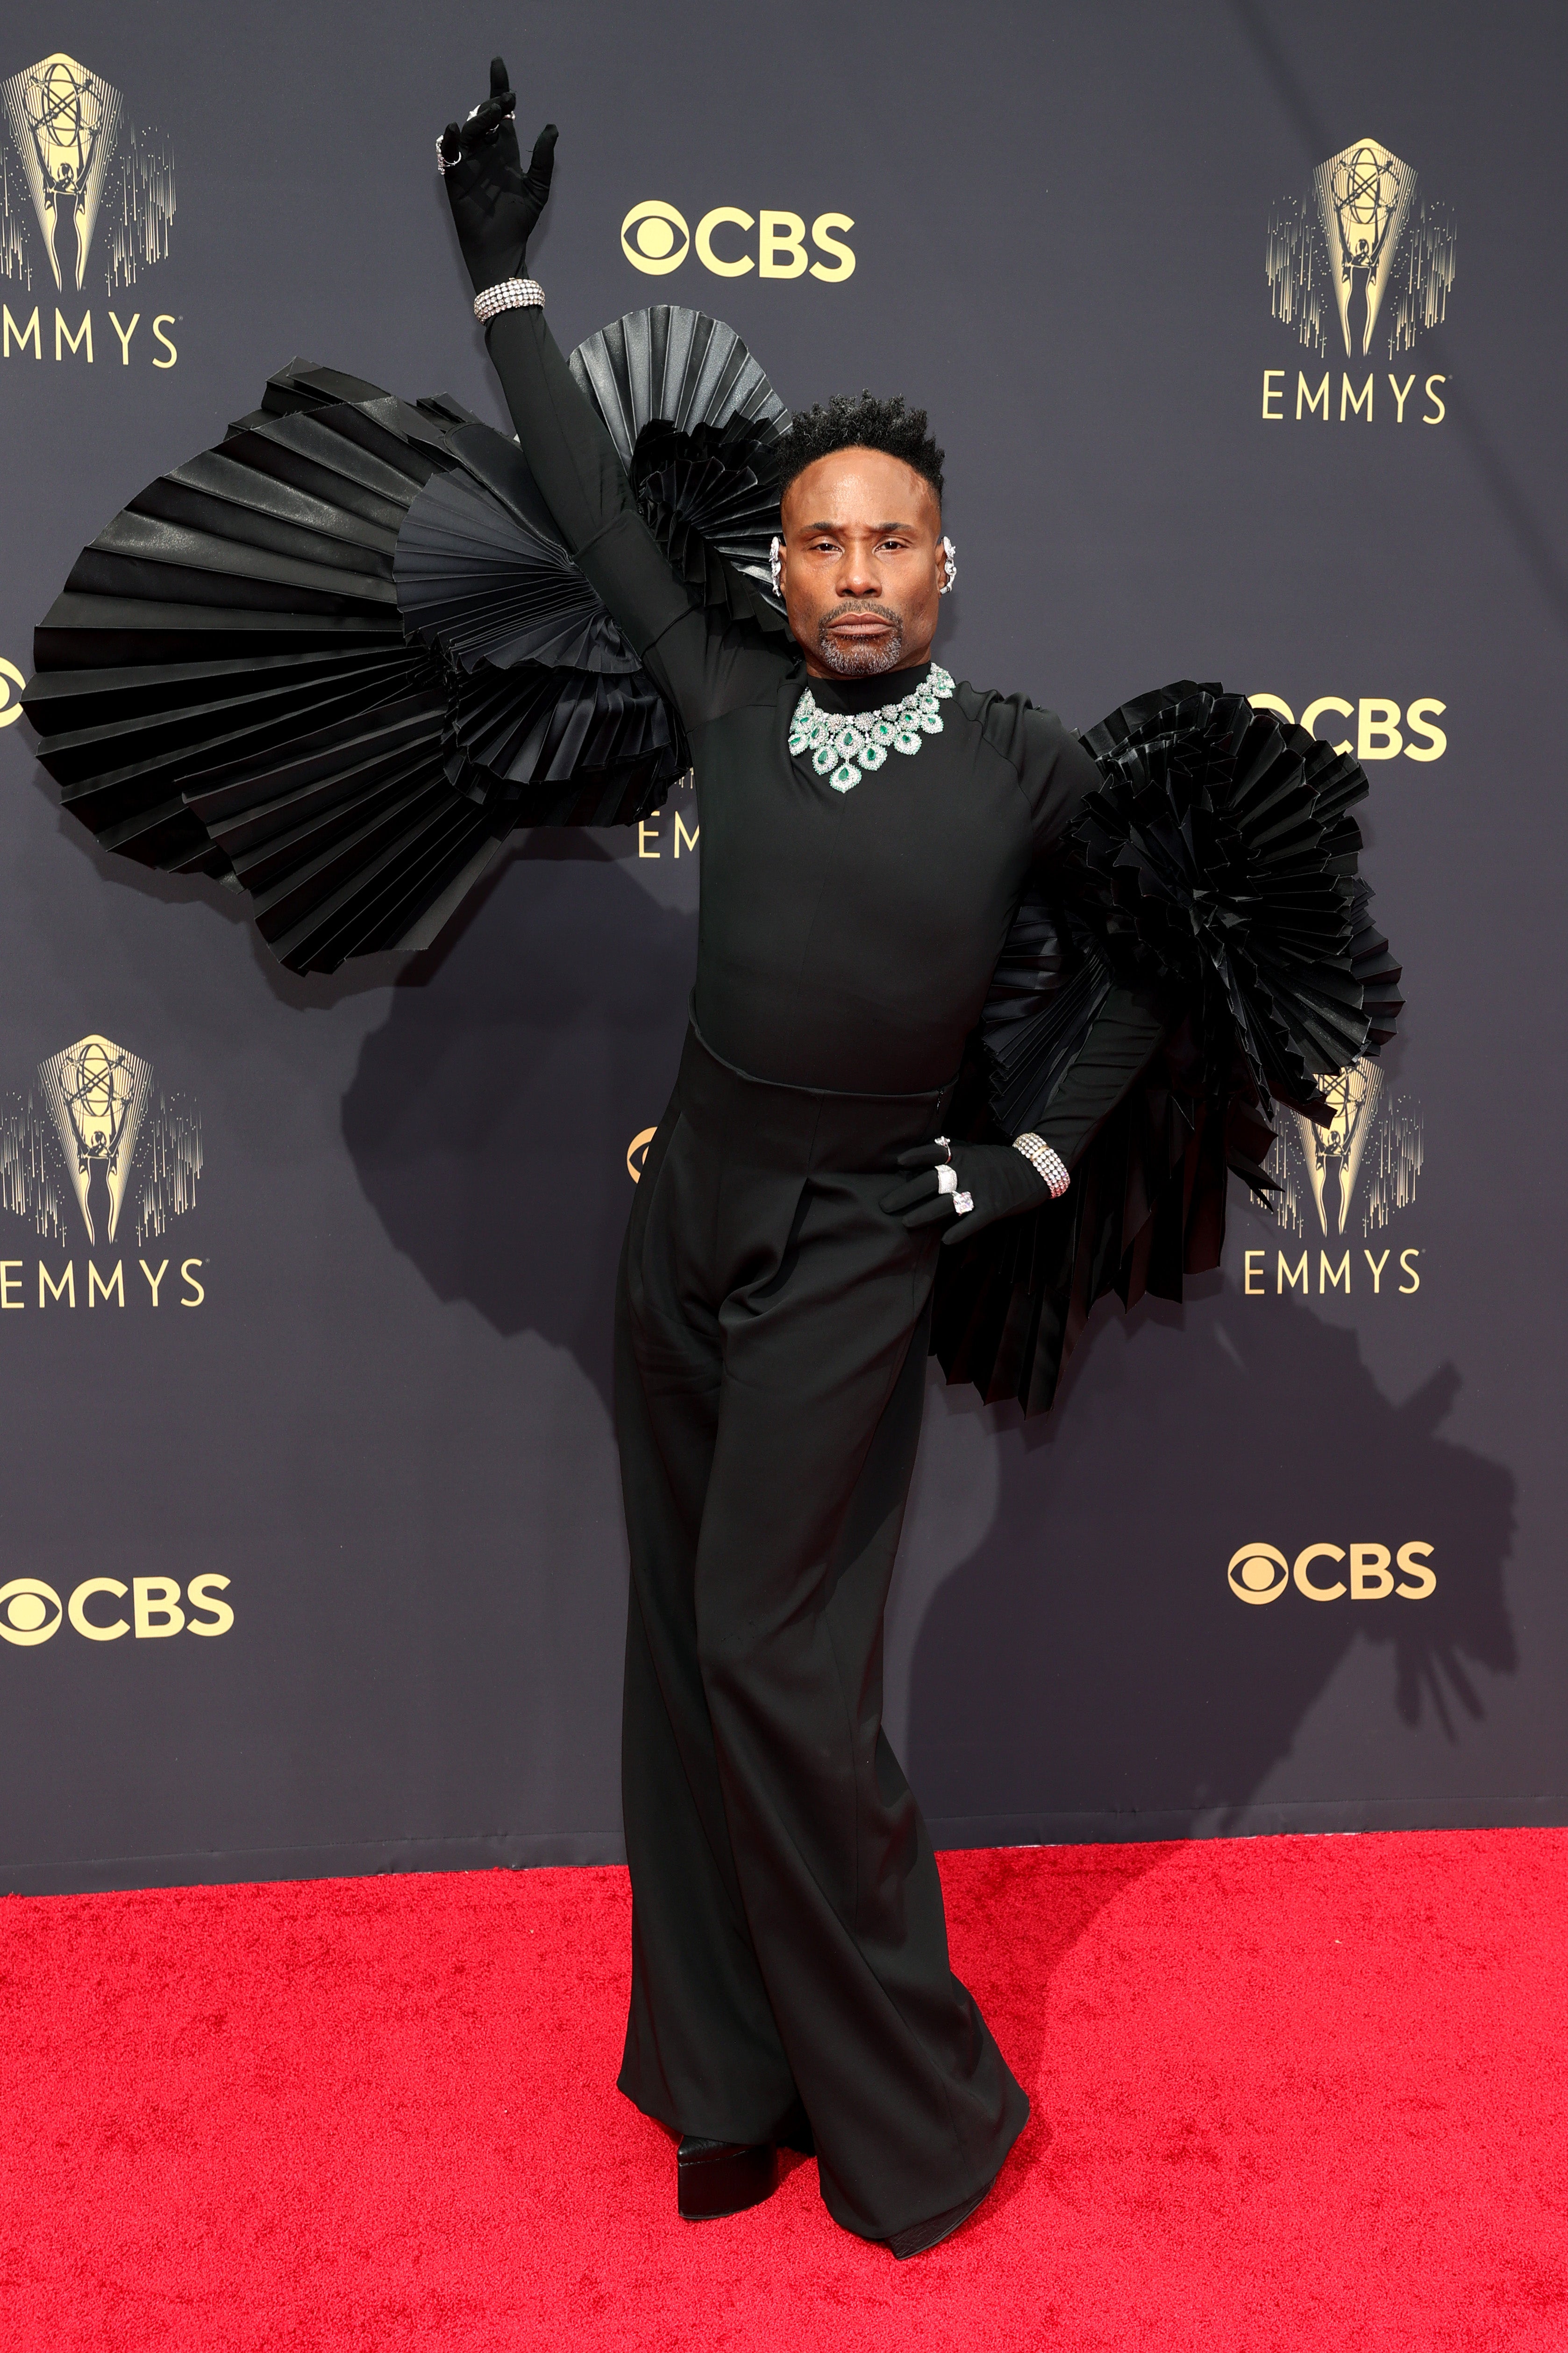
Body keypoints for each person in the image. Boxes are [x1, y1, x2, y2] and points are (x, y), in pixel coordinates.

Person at [437, 60, 1169, 2257]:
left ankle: (911, 2105)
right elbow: (576, 489)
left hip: (861, 1231)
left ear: (948, 565)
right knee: (685, 1644)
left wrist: (1029, 1165)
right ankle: (722, 2080)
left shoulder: (1030, 764)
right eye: (820, 543)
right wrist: (502, 277)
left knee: (773, 1652)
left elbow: (1153, 967)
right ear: (782, 564)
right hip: (684, 1224)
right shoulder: (729, 694)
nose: (854, 575)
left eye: (891, 544)